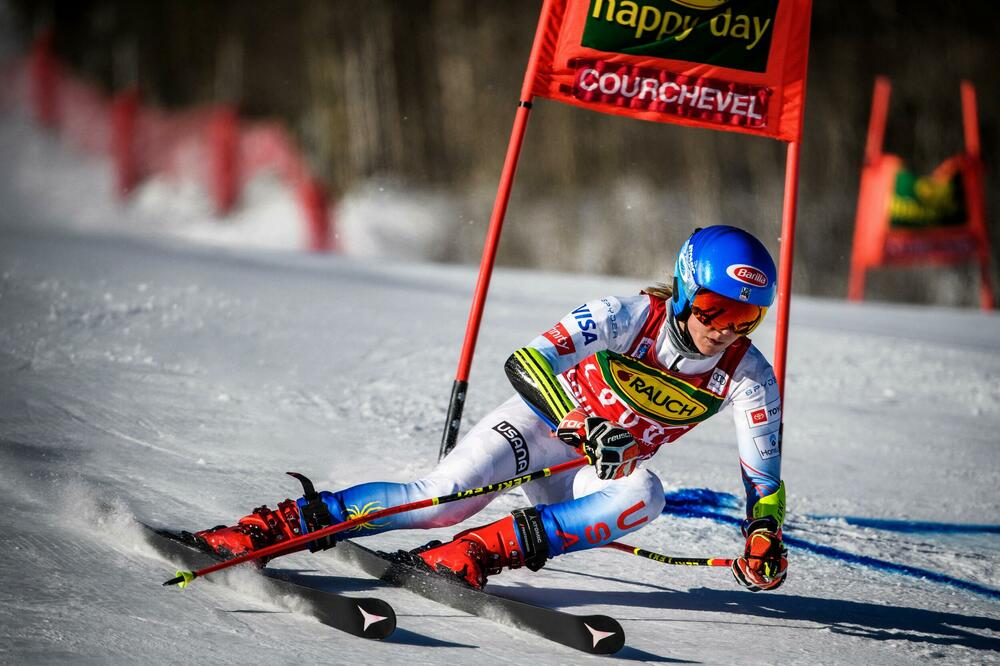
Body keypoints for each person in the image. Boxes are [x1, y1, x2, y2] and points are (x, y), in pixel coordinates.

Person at [193, 225, 788, 593]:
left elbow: (762, 480)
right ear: (685, 288)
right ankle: (274, 529)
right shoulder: (626, 316)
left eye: (747, 317)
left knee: (646, 494)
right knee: (442, 500)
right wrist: (580, 423)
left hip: (588, 474)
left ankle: (475, 553)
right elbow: (527, 361)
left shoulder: (749, 376)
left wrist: (764, 535)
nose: (725, 329)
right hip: (542, 426)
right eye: (714, 307)